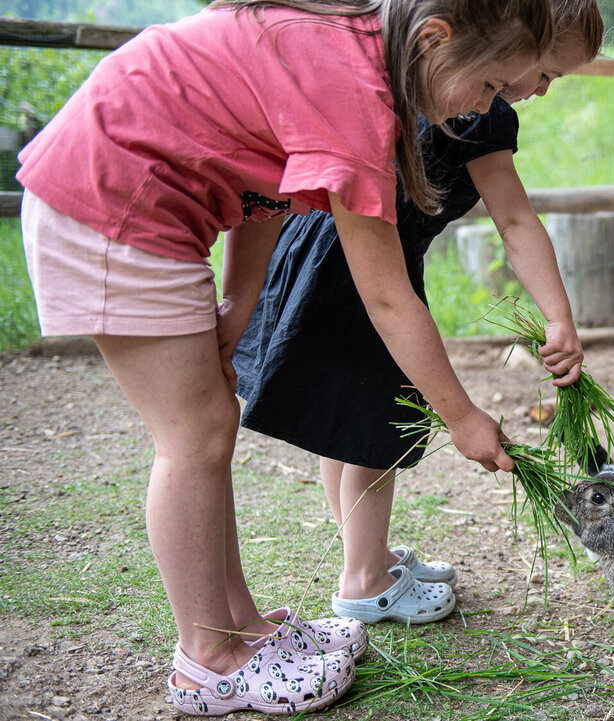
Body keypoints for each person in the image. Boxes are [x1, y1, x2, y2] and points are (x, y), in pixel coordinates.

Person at [16, 0, 553, 714]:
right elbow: (388, 297)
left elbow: (261, 185)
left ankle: (235, 628)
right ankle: (209, 660)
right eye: (489, 85)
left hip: (137, 194)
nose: (488, 104)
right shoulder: (358, 95)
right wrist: (461, 415)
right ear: (434, 40)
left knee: (210, 420)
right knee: (195, 434)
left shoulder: (357, 52)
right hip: (116, 199)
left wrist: (237, 308)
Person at [233, 0, 601, 626]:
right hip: (369, 274)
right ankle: (365, 581)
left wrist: (559, 314)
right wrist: (557, 316)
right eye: (545, 73)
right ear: (516, 43)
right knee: (379, 431)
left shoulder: (427, 78)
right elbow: (514, 221)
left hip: (319, 251)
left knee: (344, 423)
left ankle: (363, 552)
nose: (539, 90)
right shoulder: (482, 114)